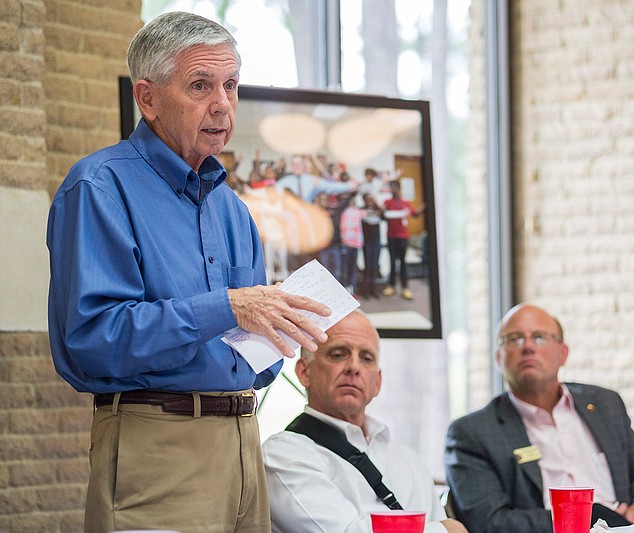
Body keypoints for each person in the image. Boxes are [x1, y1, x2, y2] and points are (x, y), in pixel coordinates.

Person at [46, 12, 331, 532]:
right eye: (200, 85)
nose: (222, 103)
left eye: (230, 85)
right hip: (156, 444)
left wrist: (280, 330)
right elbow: (92, 338)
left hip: (245, 441)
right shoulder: (99, 187)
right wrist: (226, 307)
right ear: (148, 98)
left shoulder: (233, 209)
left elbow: (253, 358)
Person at [444, 304, 634, 533]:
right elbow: (490, 522)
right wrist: (589, 520)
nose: (528, 346)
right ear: (498, 358)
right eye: (515, 339)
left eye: (539, 337)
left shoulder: (604, 405)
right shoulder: (472, 433)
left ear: (563, 353)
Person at [262, 310, 468, 533]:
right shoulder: (283, 454)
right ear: (304, 372)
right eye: (338, 354)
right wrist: (446, 530)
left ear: (377, 382)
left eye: (366, 358)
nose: (354, 367)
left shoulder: (409, 460)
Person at [381, 180, 425, 301]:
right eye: (392, 187)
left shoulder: (406, 203)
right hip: (391, 236)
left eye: (395, 187)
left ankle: (405, 287)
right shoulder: (387, 202)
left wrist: (424, 206)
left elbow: (415, 214)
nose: (393, 189)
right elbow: (383, 216)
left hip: (403, 237)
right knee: (392, 261)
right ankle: (391, 286)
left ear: (399, 189)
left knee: (403, 262)